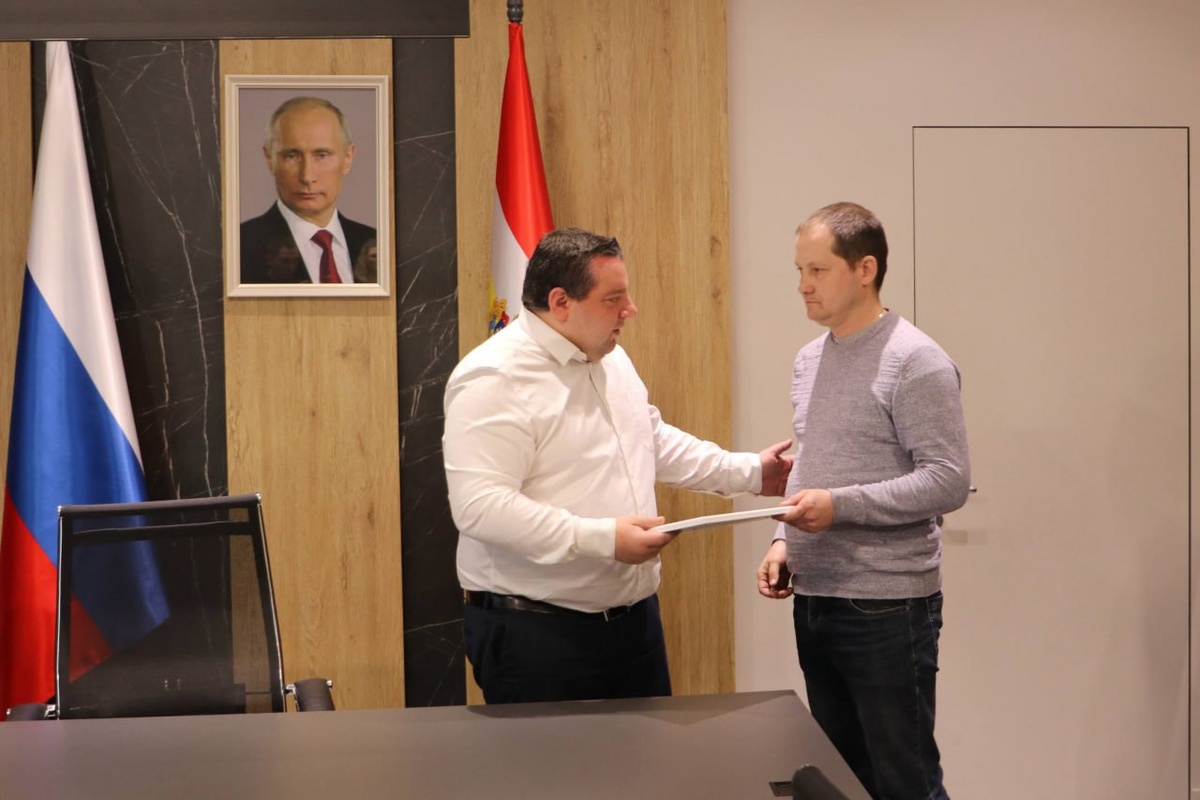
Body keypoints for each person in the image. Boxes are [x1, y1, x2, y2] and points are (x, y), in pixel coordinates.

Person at [444, 227, 794, 705]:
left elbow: (649, 439)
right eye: (613, 299)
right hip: (535, 633)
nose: (630, 310)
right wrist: (604, 539)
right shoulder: (493, 378)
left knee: (648, 757)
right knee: (551, 760)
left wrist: (750, 472)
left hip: (633, 624)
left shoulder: (611, 358)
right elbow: (481, 508)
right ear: (561, 302)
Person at [756, 202, 970, 800]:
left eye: (818, 270)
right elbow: (812, 461)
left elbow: (948, 479)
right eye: (799, 271)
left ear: (865, 269)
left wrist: (839, 506)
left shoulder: (916, 360)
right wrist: (782, 539)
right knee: (842, 780)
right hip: (816, 595)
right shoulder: (809, 359)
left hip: (886, 605)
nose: (803, 286)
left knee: (904, 781)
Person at [240, 96, 377, 284]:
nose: (307, 176)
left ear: (348, 158)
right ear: (269, 159)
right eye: (292, 156)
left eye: (322, 155)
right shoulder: (237, 248)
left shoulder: (379, 243)